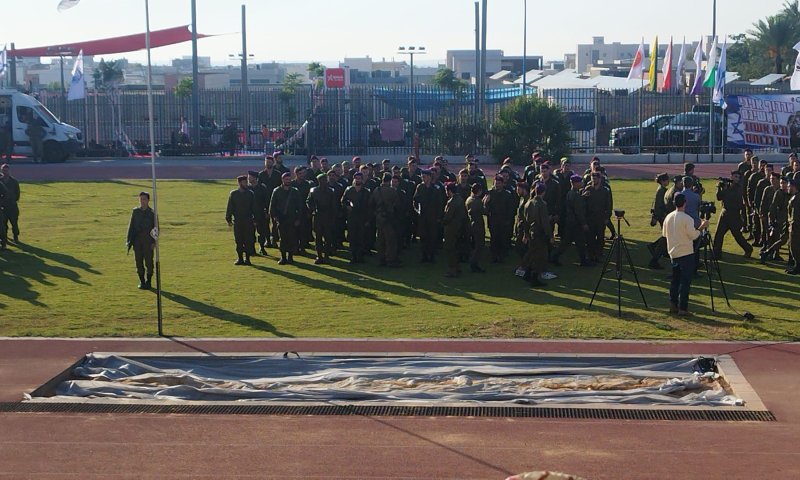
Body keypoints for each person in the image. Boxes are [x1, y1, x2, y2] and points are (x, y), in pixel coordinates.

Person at [663, 193, 709, 315]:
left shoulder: (668, 217)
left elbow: (664, 234)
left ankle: (673, 304)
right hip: (685, 253)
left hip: (673, 252)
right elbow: (693, 235)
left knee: (675, 280)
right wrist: (701, 227)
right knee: (685, 282)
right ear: (685, 203)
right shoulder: (687, 218)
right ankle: (683, 308)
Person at [712, 170, 753, 260]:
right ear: (731, 177)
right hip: (724, 213)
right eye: (735, 176)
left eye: (738, 177)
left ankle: (748, 249)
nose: (736, 179)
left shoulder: (738, 188)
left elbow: (731, 196)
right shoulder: (727, 186)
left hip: (734, 214)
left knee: (737, 235)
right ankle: (716, 253)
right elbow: (719, 197)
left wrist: (726, 187)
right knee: (719, 234)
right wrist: (719, 187)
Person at [522, 182, 553, 287]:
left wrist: (525, 234)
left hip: (531, 232)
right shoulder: (542, 204)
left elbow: (525, 221)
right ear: (543, 192)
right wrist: (550, 235)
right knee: (540, 256)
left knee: (532, 253)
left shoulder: (528, 203)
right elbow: (545, 222)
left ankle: (527, 274)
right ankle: (534, 278)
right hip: (539, 233)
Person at [269, 172, 302, 265]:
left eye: (289, 179)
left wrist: (298, 219)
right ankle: (283, 257)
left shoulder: (295, 191)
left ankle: (290, 257)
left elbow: (299, 206)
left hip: (292, 218)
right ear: (282, 180)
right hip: (281, 219)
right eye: (286, 179)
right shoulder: (276, 191)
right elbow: (272, 206)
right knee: (282, 239)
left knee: (291, 238)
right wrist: (274, 217)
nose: (288, 181)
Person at [126, 191, 157, 289]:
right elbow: (131, 227)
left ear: (148, 200)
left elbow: (156, 228)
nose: (142, 201)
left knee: (149, 263)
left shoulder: (152, 213)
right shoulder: (136, 212)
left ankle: (149, 281)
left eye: (144, 199)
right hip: (137, 241)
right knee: (138, 262)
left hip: (148, 241)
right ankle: (142, 281)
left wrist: (154, 242)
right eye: (140, 199)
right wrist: (129, 240)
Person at [370, 172, 401, 267]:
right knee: (390, 240)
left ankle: (381, 259)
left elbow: (371, 203)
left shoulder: (376, 190)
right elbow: (398, 205)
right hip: (389, 218)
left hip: (379, 218)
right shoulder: (392, 191)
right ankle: (391, 260)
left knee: (380, 239)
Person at [560, 174, 591, 267]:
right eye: (580, 182)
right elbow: (579, 211)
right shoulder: (576, 195)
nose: (582, 183)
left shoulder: (571, 193)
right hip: (576, 223)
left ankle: (554, 256)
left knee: (566, 242)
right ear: (575, 183)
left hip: (570, 221)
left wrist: (583, 197)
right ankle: (583, 261)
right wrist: (584, 223)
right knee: (580, 242)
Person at [307, 172, 337, 264]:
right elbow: (308, 201)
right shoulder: (313, 190)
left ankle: (327, 255)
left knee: (328, 238)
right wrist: (313, 209)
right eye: (321, 180)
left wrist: (333, 216)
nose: (323, 182)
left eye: (324, 180)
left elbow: (334, 205)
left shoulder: (331, 191)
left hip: (327, 216)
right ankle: (319, 256)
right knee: (318, 238)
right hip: (317, 216)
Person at [226, 175, 256, 266]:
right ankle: (240, 258)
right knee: (238, 240)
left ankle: (247, 259)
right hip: (238, 221)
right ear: (239, 183)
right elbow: (230, 207)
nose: (246, 184)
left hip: (248, 221)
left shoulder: (250, 194)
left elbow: (254, 207)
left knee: (248, 240)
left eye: (246, 182)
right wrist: (228, 218)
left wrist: (255, 219)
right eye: (244, 182)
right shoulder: (234, 194)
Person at [484, 175, 515, 263]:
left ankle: (501, 256)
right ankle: (494, 256)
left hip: (503, 219)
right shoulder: (490, 193)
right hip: (493, 219)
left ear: (502, 184)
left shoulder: (507, 194)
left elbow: (510, 208)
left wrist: (508, 220)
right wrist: (486, 203)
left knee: (503, 238)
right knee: (494, 238)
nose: (497, 185)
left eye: (499, 183)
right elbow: (485, 208)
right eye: (496, 183)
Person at [413, 169, 442, 263]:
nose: (423, 179)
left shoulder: (436, 188)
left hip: (433, 216)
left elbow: (440, 204)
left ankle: (432, 255)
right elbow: (415, 200)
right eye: (422, 177)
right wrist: (417, 210)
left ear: (429, 177)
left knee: (432, 237)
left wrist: (438, 217)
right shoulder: (420, 187)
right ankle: (424, 255)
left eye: (424, 177)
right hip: (423, 216)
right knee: (423, 236)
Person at [582, 172, 611, 262]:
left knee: (600, 237)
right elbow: (583, 204)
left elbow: (609, 205)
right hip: (590, 217)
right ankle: (591, 254)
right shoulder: (588, 189)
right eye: (592, 178)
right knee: (590, 237)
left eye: (595, 178)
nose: (593, 180)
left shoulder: (605, 190)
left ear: (600, 179)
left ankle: (599, 253)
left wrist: (607, 217)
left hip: (601, 217)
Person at [342, 171, 370, 263]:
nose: (358, 180)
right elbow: (343, 201)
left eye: (359, 178)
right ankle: (353, 256)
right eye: (356, 178)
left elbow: (369, 206)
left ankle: (360, 256)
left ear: (362, 179)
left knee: (361, 237)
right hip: (352, 217)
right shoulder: (349, 189)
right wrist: (347, 206)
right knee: (352, 237)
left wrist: (367, 219)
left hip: (362, 217)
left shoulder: (366, 191)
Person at [442, 182, 466, 277]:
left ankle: (452, 269)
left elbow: (448, 217)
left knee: (450, 249)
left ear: (449, 191)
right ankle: (457, 267)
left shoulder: (452, 202)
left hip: (451, 228)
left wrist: (441, 222)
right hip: (459, 227)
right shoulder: (459, 199)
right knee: (456, 248)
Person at [647, 173, 670, 269]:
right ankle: (655, 255)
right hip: (662, 216)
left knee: (666, 236)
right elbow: (658, 205)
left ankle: (660, 250)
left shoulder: (661, 189)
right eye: (667, 180)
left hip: (661, 216)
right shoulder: (662, 191)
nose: (668, 181)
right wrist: (657, 216)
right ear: (663, 181)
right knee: (666, 237)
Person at [247, 171, 270, 255]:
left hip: (260, 213)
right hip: (249, 214)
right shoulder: (247, 188)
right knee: (250, 233)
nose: (249, 178)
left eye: (250, 177)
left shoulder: (262, 188)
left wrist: (267, 211)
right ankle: (252, 249)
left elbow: (267, 201)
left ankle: (262, 247)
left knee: (261, 232)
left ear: (255, 178)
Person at [465, 183, 486, 273]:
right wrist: (485, 201)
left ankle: (472, 261)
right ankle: (474, 263)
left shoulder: (469, 199)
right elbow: (484, 211)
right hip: (478, 225)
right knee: (479, 245)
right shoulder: (477, 201)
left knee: (475, 244)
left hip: (471, 224)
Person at [0, 164, 20, 243]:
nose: (5, 172)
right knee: (3, 223)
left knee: (14, 222)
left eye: (6, 170)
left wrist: (13, 200)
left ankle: (16, 236)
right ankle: (4, 237)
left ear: (9, 171)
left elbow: (17, 193)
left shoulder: (14, 181)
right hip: (3, 206)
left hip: (12, 206)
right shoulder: (0, 181)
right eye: (3, 170)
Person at [786, 179, 800, 275]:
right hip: (794, 226)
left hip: (795, 227)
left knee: (794, 247)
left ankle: (797, 267)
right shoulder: (795, 197)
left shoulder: (796, 199)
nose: (787, 187)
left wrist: (794, 226)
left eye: (789, 186)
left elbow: (795, 215)